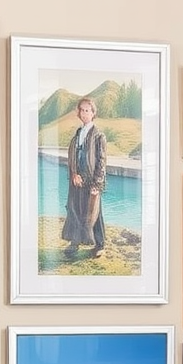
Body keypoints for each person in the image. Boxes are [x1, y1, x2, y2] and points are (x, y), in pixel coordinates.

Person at [61, 97, 106, 260]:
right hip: (76, 180)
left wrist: (97, 184)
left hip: (91, 182)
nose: (84, 113)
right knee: (74, 210)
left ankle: (100, 244)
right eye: (82, 110)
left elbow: (101, 162)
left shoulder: (99, 135)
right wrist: (74, 174)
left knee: (95, 213)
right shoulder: (78, 133)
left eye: (88, 110)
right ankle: (75, 242)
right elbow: (73, 156)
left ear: (93, 113)